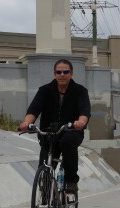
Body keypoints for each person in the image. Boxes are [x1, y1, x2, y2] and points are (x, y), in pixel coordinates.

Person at [18, 59, 90, 194]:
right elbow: (33, 110)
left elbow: (85, 111)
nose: (62, 75)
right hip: (49, 132)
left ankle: (71, 181)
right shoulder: (45, 90)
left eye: (66, 72)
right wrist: (27, 123)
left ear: (71, 74)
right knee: (44, 172)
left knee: (68, 142)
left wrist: (81, 122)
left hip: (71, 130)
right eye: (59, 72)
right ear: (54, 74)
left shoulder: (80, 91)